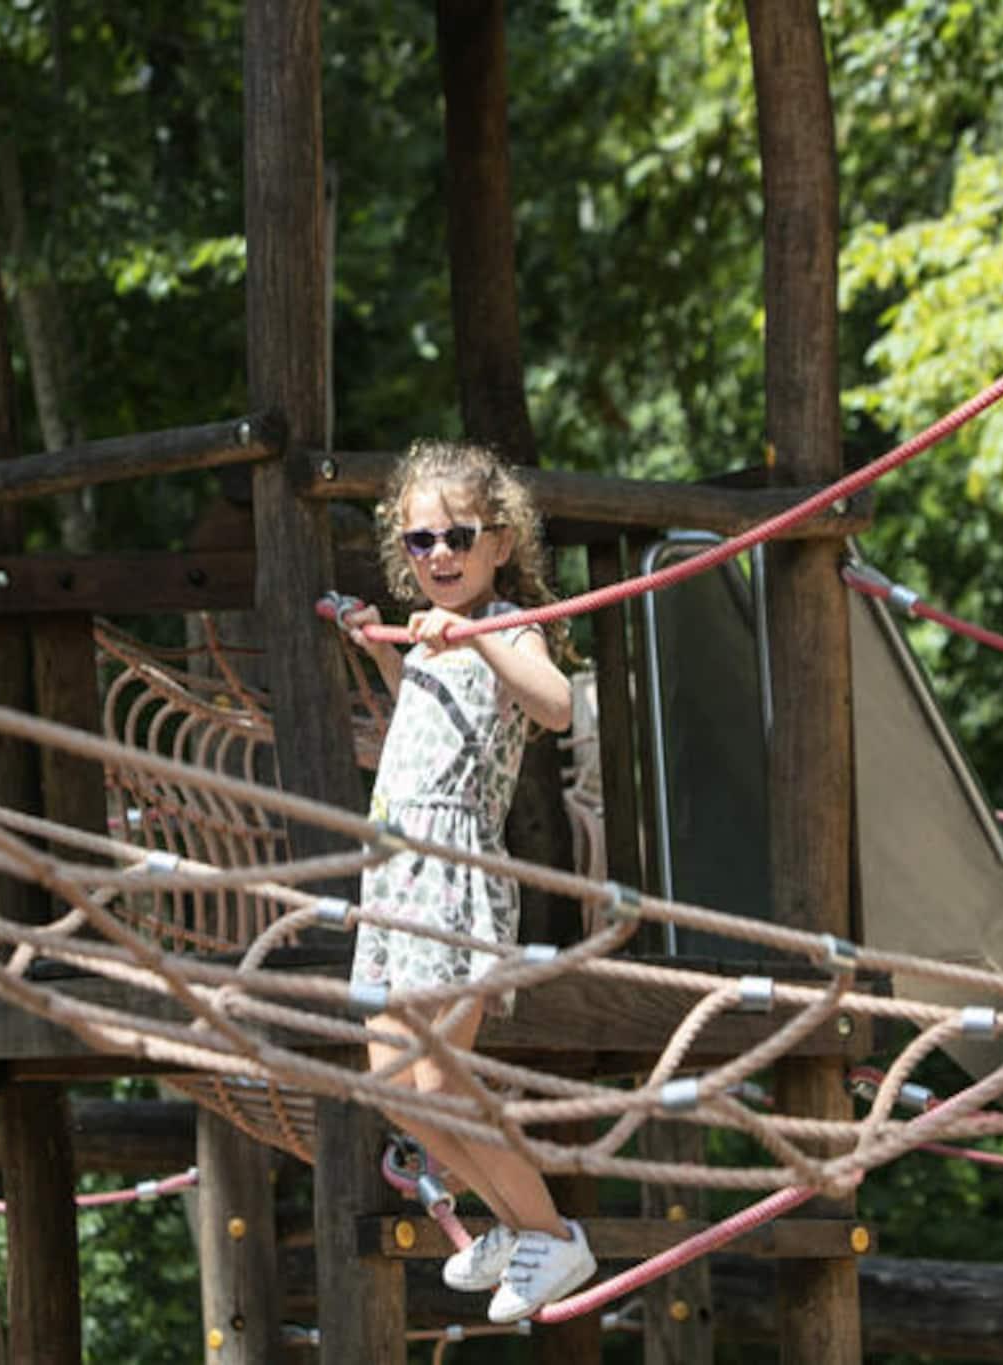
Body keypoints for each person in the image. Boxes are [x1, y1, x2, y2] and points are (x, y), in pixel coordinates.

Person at [337, 437, 596, 1324]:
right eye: (422, 540)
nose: (440, 554)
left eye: (459, 537)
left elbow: (553, 706)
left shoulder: (507, 626)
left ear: (500, 543)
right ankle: (512, 1225)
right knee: (397, 1088)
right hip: (393, 876)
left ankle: (551, 1233)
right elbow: (424, 714)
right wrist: (383, 652)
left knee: (443, 1084)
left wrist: (478, 638)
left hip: (452, 880)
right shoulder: (432, 639)